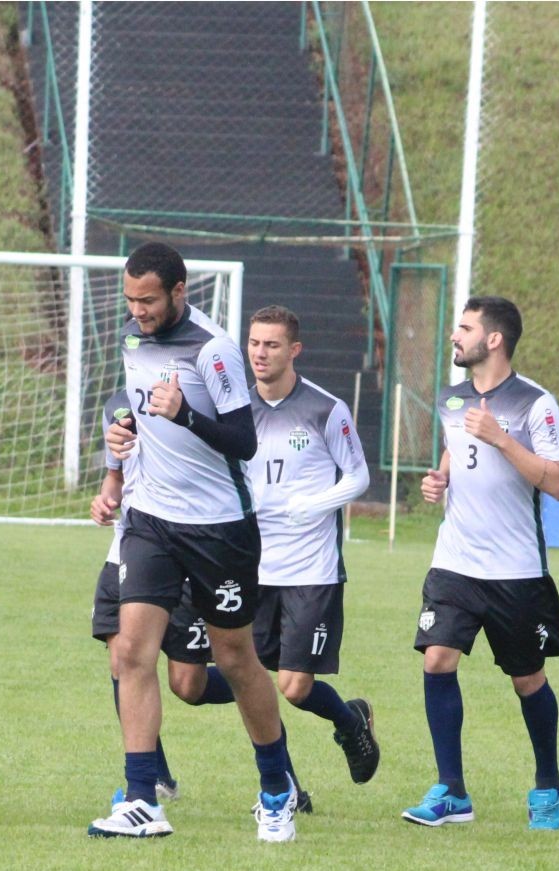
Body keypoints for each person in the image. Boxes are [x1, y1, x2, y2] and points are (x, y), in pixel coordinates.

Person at [93, 242, 298, 842]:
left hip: (218, 529)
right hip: (150, 519)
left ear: (180, 292)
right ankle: (141, 800)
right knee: (131, 652)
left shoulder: (214, 350)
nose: (138, 311)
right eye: (130, 300)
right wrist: (122, 433)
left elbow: (242, 439)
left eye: (148, 300)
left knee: (235, 659)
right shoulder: (133, 339)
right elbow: (135, 406)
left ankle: (276, 787)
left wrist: (183, 414)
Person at [404, 296, 559, 831]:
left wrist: (501, 438)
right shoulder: (452, 399)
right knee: (436, 660)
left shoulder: (535, 404)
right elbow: (458, 448)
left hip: (514, 570)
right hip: (455, 561)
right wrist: (441, 477)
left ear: (493, 339)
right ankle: (451, 791)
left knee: (527, 680)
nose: (455, 337)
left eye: (465, 328)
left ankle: (547, 784)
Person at [242, 305, 380, 787]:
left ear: (294, 350)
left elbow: (359, 475)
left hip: (311, 569)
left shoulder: (325, 408)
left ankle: (350, 722)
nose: (260, 353)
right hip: (253, 567)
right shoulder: (236, 406)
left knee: (295, 687)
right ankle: (287, 789)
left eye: (272, 344)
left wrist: (317, 503)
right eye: (255, 343)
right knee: (254, 685)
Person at [87, 396, 181, 802]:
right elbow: (116, 477)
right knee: (122, 660)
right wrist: (106, 502)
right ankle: (154, 777)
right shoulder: (117, 407)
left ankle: (282, 775)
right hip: (125, 547)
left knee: (190, 682)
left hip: (181, 548)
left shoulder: (184, 398)